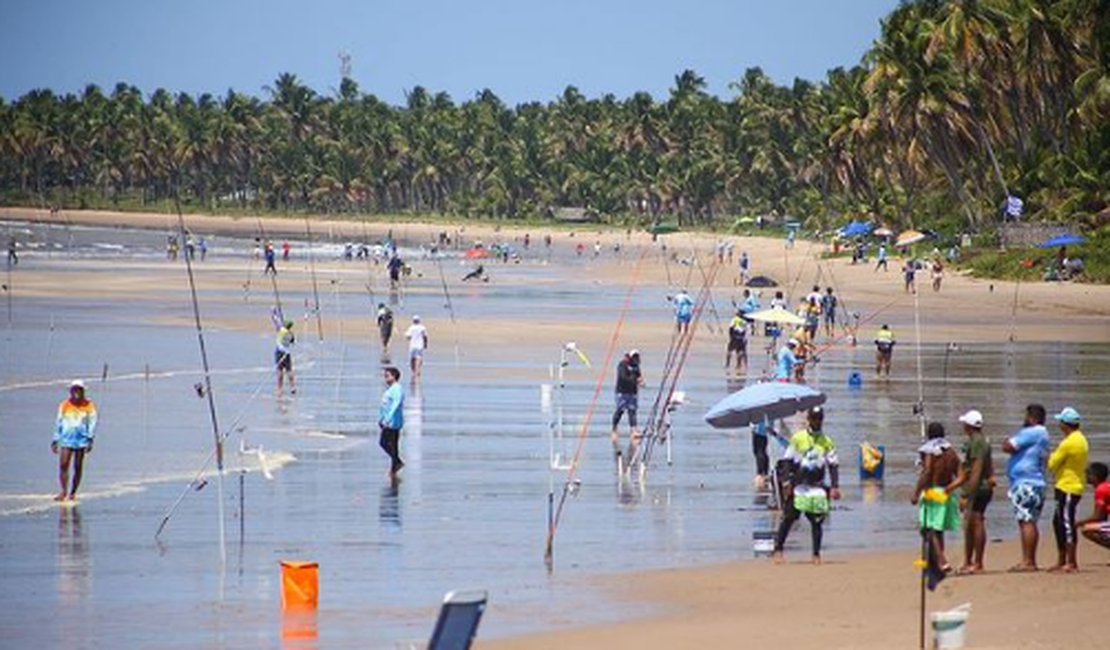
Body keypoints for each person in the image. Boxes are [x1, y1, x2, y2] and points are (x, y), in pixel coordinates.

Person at [772, 407, 840, 564]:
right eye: (814, 419)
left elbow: (833, 464)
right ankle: (778, 549)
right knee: (789, 518)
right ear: (809, 420)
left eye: (820, 419)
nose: (817, 422)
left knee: (817, 521)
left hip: (817, 487)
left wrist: (835, 486)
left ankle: (816, 554)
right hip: (799, 486)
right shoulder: (798, 438)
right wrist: (786, 481)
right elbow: (787, 461)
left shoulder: (827, 441)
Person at [1002, 404, 1051, 572]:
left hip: (1025, 482)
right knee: (1030, 521)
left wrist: (1006, 441)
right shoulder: (1043, 434)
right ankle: (1029, 560)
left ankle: (1028, 561)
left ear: (1031, 417)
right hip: (1035, 481)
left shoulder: (1032, 432)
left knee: (1026, 521)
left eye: (1026, 415)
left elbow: (1008, 446)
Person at [947, 410, 994, 574]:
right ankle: (969, 561)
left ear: (969, 426)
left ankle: (977, 563)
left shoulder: (976, 443)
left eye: (964, 424)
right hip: (981, 486)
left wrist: (966, 494)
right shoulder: (983, 441)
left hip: (978, 489)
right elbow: (988, 466)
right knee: (970, 524)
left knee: (976, 522)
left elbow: (976, 469)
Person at [911, 422, 962, 575]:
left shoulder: (929, 450)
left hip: (933, 492)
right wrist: (952, 487)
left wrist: (916, 491)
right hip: (946, 492)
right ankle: (937, 561)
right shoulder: (951, 451)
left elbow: (927, 471)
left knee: (928, 528)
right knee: (938, 530)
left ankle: (941, 560)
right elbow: (961, 472)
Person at [1047, 407, 1089, 572]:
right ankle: (1062, 558)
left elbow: (1052, 463)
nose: (1059, 425)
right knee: (1058, 521)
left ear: (1065, 424)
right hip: (1069, 485)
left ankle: (1071, 561)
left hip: (1068, 486)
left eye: (1061, 422)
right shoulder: (1081, 439)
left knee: (1065, 522)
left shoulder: (1069, 442)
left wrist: (1047, 456)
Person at [52, 380, 98, 502]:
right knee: (63, 465)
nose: (76, 392)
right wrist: (55, 439)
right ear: (71, 391)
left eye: (79, 389)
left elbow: (92, 423)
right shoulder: (64, 405)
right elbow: (59, 422)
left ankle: (73, 492)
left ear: (83, 391)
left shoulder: (89, 405)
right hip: (66, 439)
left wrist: (90, 439)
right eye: (74, 389)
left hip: (81, 440)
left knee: (78, 466)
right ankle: (63, 491)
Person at [610, 350, 645, 459]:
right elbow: (622, 377)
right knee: (620, 410)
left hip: (632, 392)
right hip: (622, 391)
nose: (636, 360)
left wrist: (640, 381)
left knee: (632, 411)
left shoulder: (636, 366)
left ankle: (634, 430)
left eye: (637, 357)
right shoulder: (622, 364)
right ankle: (614, 429)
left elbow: (639, 376)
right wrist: (633, 380)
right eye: (634, 357)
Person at [378, 366, 405, 479]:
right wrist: (380, 419)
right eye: (385, 376)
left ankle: (397, 461)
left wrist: (388, 418)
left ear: (394, 376)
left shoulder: (397, 388)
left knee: (383, 443)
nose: (385, 378)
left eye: (387, 376)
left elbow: (396, 403)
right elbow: (384, 406)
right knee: (393, 446)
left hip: (393, 422)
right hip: (387, 420)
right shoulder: (390, 389)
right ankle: (394, 469)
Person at [1078, 462, 1110, 552]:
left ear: (1095, 476)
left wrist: (1077, 523)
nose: (1086, 476)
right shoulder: (1106, 486)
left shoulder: (1101, 489)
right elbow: (1102, 517)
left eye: (1088, 473)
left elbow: (1097, 517)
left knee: (1086, 529)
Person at [273, 313, 296, 394]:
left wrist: (274, 313)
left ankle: (280, 389)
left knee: (279, 371)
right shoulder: (291, 334)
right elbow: (293, 342)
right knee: (289, 370)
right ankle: (292, 387)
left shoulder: (281, 330)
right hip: (287, 354)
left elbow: (276, 321)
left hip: (279, 353)